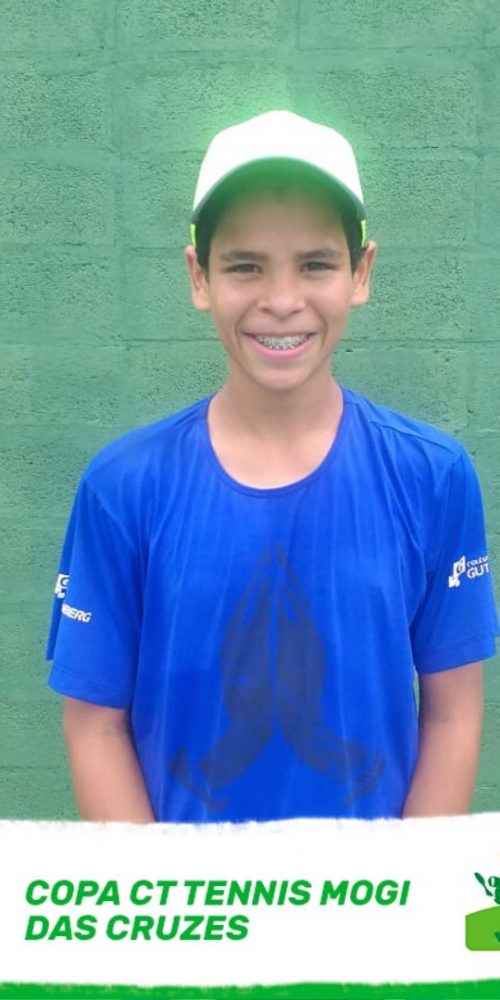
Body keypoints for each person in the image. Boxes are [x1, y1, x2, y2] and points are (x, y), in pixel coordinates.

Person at [46, 109, 499, 824]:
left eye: (316, 263)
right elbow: (95, 725)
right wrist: (161, 892)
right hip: (184, 895)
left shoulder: (434, 476)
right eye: (245, 265)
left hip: (374, 893)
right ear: (199, 277)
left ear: (361, 272)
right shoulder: (122, 488)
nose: (282, 301)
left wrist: (405, 886)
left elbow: (453, 714)